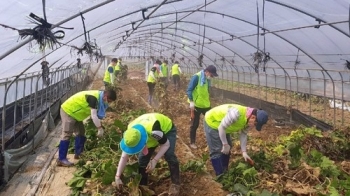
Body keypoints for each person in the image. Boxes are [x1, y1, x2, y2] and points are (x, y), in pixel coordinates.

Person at [115, 113, 180, 195]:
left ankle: (175, 183)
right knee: (142, 161)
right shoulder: (130, 134)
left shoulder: (155, 132)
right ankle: (144, 186)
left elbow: (166, 144)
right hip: (149, 137)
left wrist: (154, 161)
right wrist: (117, 176)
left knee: (169, 155)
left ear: (143, 142)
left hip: (166, 130)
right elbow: (124, 156)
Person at [204, 104, 268, 176]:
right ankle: (220, 176)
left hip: (224, 127)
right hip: (213, 122)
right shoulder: (235, 114)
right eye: (255, 124)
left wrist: (244, 152)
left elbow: (243, 134)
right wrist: (225, 144)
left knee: (229, 146)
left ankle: (225, 170)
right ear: (253, 117)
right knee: (217, 150)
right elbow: (221, 128)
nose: (254, 126)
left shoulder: (248, 120)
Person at [57, 89, 117, 167]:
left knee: (81, 133)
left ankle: (79, 154)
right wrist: (99, 128)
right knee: (67, 134)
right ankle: (61, 159)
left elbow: (97, 115)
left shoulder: (99, 97)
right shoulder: (94, 98)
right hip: (69, 111)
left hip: (76, 114)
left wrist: (100, 125)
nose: (108, 103)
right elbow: (93, 115)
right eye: (109, 101)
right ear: (105, 96)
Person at [186, 65, 218, 149]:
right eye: (211, 75)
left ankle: (214, 140)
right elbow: (189, 89)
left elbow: (206, 91)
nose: (211, 77)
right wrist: (191, 102)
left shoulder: (207, 79)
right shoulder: (197, 77)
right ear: (207, 72)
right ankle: (192, 142)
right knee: (195, 124)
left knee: (212, 121)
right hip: (196, 105)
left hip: (206, 105)